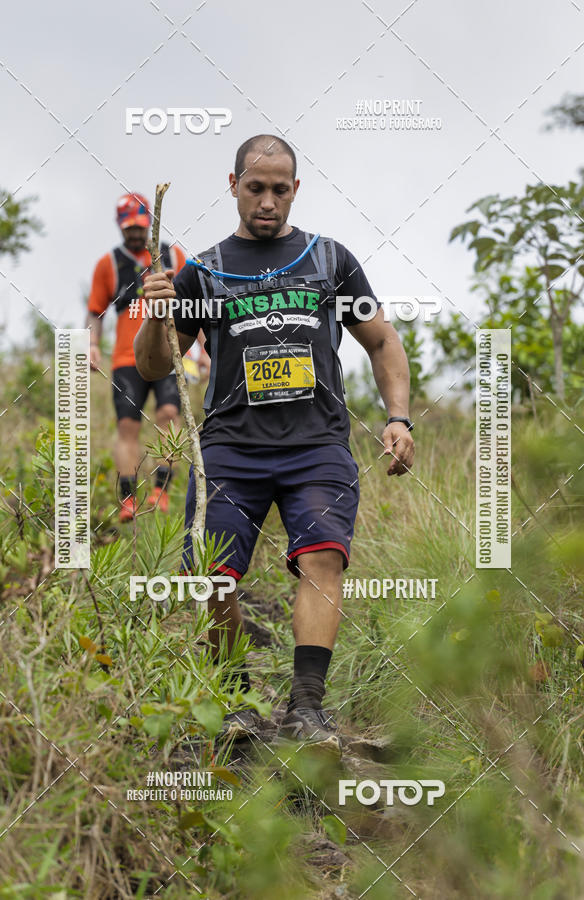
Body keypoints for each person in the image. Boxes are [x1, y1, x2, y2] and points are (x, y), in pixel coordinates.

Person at [134, 136, 415, 749]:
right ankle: (234, 702)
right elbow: (156, 366)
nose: (268, 200)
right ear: (232, 185)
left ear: (295, 190)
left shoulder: (329, 260)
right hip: (232, 449)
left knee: (322, 560)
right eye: (255, 187)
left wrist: (399, 419)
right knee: (214, 577)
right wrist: (157, 314)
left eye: (279, 189)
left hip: (317, 447)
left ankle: (306, 709)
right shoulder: (202, 270)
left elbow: (382, 342)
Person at [86, 192, 210, 522]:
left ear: (150, 223)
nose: (135, 233)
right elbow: (94, 312)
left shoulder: (173, 256)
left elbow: (193, 307)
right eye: (129, 228)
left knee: (170, 414)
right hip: (126, 360)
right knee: (127, 425)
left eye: (140, 227)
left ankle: (160, 491)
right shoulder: (108, 264)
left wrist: (202, 350)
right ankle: (128, 499)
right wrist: (92, 344)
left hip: (168, 354)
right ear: (119, 226)